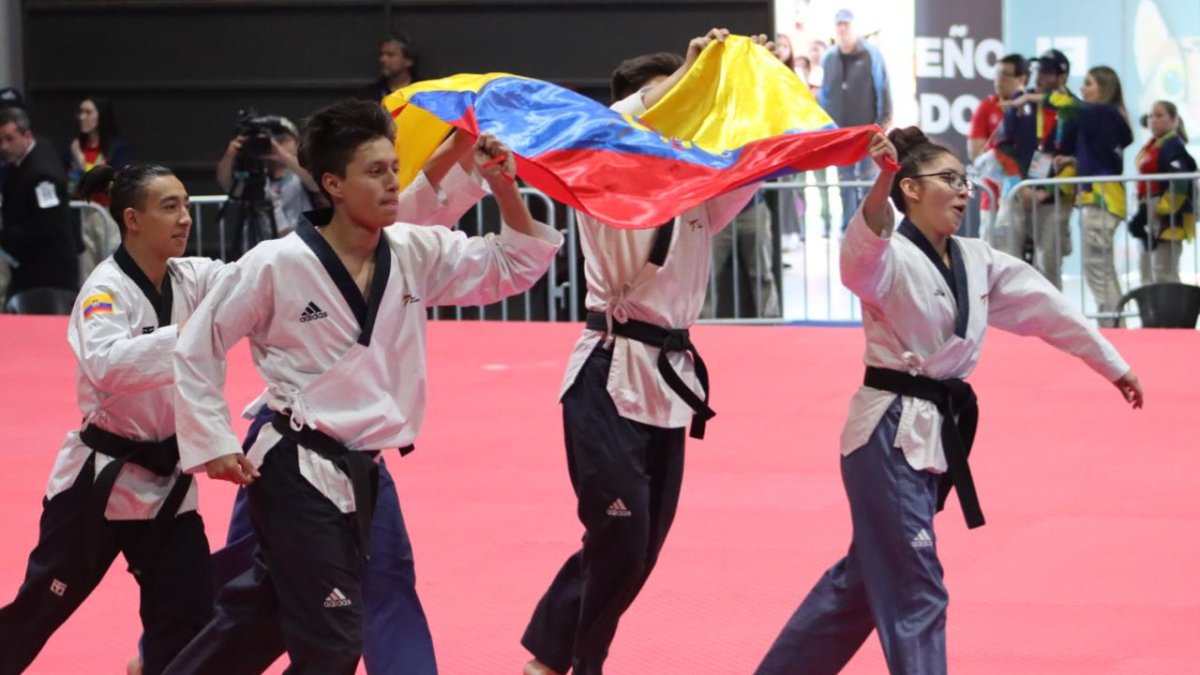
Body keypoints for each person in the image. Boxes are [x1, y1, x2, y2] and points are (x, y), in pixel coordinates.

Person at [164, 99, 561, 675]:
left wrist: (503, 188)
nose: (393, 183)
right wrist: (214, 441)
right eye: (376, 172)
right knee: (332, 641)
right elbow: (197, 345)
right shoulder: (275, 263)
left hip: (366, 468)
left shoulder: (412, 250)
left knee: (274, 613)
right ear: (334, 184)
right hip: (295, 464)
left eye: (395, 169)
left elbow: (511, 265)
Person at [754, 127, 1143, 675]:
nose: (964, 191)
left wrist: (1111, 363)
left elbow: (1046, 307)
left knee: (860, 587)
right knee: (918, 590)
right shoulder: (885, 258)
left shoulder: (976, 258)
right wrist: (879, 182)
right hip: (887, 433)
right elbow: (858, 257)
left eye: (965, 180)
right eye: (950, 179)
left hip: (931, 432)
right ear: (910, 189)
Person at [521, 29, 772, 675]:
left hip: (668, 377)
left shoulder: (691, 190)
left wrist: (749, 76)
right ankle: (575, 661)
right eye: (671, 104)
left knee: (639, 551)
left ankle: (553, 660)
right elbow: (614, 125)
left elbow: (755, 160)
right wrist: (689, 74)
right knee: (621, 538)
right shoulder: (598, 175)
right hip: (608, 370)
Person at [0, 164, 225, 675]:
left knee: (190, 614)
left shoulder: (194, 276)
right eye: (169, 207)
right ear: (132, 219)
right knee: (43, 605)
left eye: (187, 205)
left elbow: (259, 275)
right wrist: (194, 333)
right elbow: (109, 365)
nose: (185, 218)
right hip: (100, 481)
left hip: (168, 481)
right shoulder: (104, 290)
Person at [992, 49, 1079, 289]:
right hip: (1019, 191)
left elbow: (1078, 157)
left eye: (1047, 72)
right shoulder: (1020, 102)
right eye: (1038, 70)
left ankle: (1052, 321)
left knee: (1048, 261)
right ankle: (1007, 318)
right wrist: (1019, 185)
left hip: (1054, 197)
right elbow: (1002, 147)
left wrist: (1048, 192)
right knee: (1005, 256)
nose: (1039, 76)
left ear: (1062, 77)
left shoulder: (1072, 110)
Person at [818, 8, 892, 230]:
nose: (843, 29)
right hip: (840, 134)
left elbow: (883, 88)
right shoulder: (829, 57)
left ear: (853, 27)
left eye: (846, 25)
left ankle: (868, 226)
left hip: (867, 132)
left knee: (868, 182)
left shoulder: (871, 54)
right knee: (845, 182)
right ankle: (848, 226)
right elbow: (825, 94)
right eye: (839, 25)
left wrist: (882, 123)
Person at [0, 106, 80, 295]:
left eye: (10, 139)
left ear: (27, 136)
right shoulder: (37, 147)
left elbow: (46, 225)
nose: (3, 146)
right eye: (0, 140)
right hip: (28, 267)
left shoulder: (42, 176)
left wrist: (4, 237)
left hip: (47, 272)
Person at [216, 115, 322, 248]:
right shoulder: (255, 176)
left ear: (298, 143)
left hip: (298, 247)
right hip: (259, 245)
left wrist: (281, 154)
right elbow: (226, 183)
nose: (274, 144)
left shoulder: (300, 175)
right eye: (270, 140)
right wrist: (230, 154)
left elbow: (314, 183)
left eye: (283, 140)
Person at [1130, 100, 1196, 284]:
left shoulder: (1173, 146)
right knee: (1148, 267)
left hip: (1167, 216)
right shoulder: (1154, 145)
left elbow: (1181, 182)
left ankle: (1171, 311)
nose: (1153, 120)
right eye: (1151, 116)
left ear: (1174, 120)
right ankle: (1153, 310)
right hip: (1149, 210)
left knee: (1164, 268)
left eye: (1159, 115)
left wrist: (1163, 208)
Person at [967, 54, 1029, 240]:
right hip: (992, 199)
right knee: (993, 253)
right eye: (996, 75)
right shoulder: (986, 107)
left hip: (1029, 197)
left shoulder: (1032, 108)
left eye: (1004, 75)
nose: (998, 80)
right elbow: (975, 152)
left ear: (1022, 79)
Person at [68, 97, 130, 279]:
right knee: (87, 271)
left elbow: (109, 181)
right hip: (82, 216)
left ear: (100, 116)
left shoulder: (116, 150)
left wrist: (81, 161)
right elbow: (71, 184)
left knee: (112, 268)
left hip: (107, 215)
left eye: (88, 112)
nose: (82, 117)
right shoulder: (75, 147)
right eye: (80, 112)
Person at [363, 33, 419, 103]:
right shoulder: (369, 94)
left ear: (408, 60)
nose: (383, 60)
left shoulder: (422, 93)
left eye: (390, 55)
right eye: (381, 54)